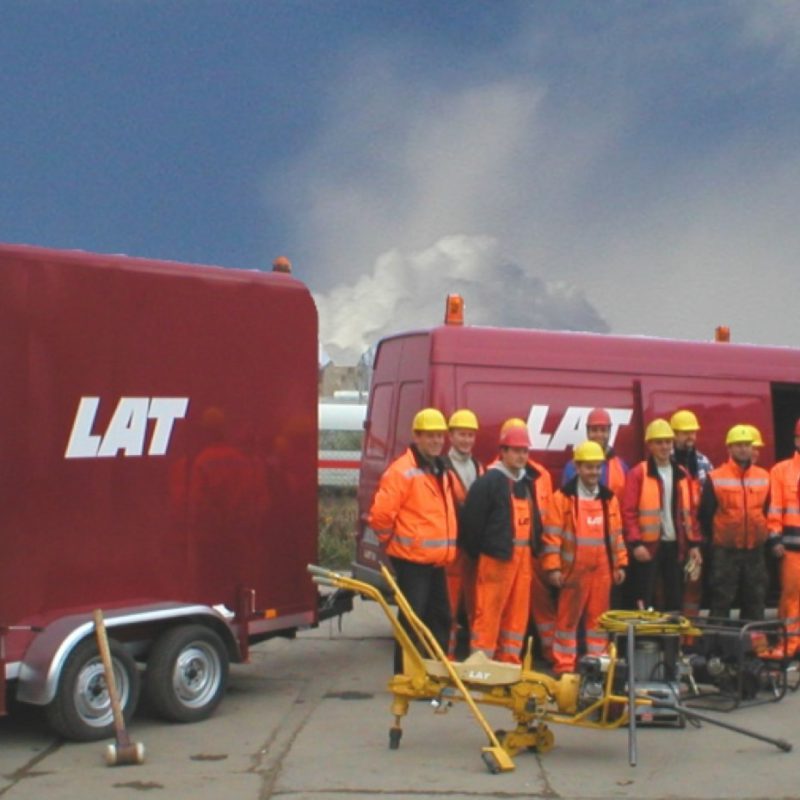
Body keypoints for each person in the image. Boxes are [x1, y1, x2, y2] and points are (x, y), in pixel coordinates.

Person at [369, 407, 458, 671]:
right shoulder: (402, 471)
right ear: (417, 437)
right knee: (412, 620)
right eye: (430, 436)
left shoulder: (438, 468)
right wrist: (392, 542)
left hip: (434, 561)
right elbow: (380, 516)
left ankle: (435, 673)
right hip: (412, 561)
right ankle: (407, 675)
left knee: (440, 617)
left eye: (439, 436)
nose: (436, 441)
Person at [542, 441, 627, 675]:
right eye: (589, 467)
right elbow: (552, 536)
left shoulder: (609, 499)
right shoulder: (561, 499)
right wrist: (553, 569)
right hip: (572, 573)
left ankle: (596, 667)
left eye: (598, 467)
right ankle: (564, 667)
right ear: (577, 467)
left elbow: (616, 535)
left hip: (602, 572)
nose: (594, 472)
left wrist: (619, 564)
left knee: (598, 624)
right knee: (567, 623)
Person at [460, 425, 543, 664]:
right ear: (503, 452)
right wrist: (482, 553)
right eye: (516, 451)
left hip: (523, 558)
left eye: (525, 451)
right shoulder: (488, 482)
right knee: (488, 612)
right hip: (496, 559)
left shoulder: (526, 482)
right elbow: (472, 523)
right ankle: (481, 662)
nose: (521, 456)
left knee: (517, 615)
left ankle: (509, 660)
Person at [492, 417, 556, 662]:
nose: (520, 451)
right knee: (503, 608)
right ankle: (502, 656)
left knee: (543, 606)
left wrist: (550, 553)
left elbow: (548, 516)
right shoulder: (493, 475)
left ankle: (551, 653)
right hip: (507, 553)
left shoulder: (541, 475)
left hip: (536, 551)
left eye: (523, 445)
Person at [622, 418, 702, 611]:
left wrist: (694, 544)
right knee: (644, 598)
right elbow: (628, 511)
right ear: (649, 445)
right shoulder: (638, 473)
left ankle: (671, 640)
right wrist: (635, 544)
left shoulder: (681, 472)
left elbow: (690, 512)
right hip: (648, 547)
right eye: (659, 442)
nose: (664, 446)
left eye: (667, 441)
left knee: (675, 598)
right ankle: (645, 640)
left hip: (675, 546)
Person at [698, 425, 770, 620]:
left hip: (755, 549)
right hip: (725, 550)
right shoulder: (716, 477)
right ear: (729, 448)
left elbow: (767, 510)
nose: (743, 449)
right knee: (721, 599)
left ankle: (754, 645)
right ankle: (717, 646)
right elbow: (706, 514)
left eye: (747, 445)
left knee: (755, 599)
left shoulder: (764, 477)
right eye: (738, 445)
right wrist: (715, 540)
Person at [442, 408, 484, 657]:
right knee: (448, 604)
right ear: (451, 436)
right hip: (451, 549)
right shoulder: (441, 467)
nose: (466, 440)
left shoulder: (480, 468)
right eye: (462, 434)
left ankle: (476, 654)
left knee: (477, 605)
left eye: (470, 435)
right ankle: (446, 654)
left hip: (473, 549)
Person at [669, 409, 713, 618]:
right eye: (685, 432)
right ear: (674, 434)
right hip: (670, 537)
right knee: (668, 590)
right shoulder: (664, 461)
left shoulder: (703, 463)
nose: (690, 437)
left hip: (696, 537)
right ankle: (668, 639)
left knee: (693, 588)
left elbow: (709, 503)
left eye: (693, 433)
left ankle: (689, 638)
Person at [766, 418, 800, 657]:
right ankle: (788, 645)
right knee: (791, 599)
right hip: (791, 548)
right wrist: (775, 539)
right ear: (797, 440)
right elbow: (774, 509)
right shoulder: (781, 471)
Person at [562, 408, 628, 501]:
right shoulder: (572, 466)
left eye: (603, 430)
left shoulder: (622, 467)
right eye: (594, 430)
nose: (599, 434)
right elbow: (564, 502)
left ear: (609, 432)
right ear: (587, 432)